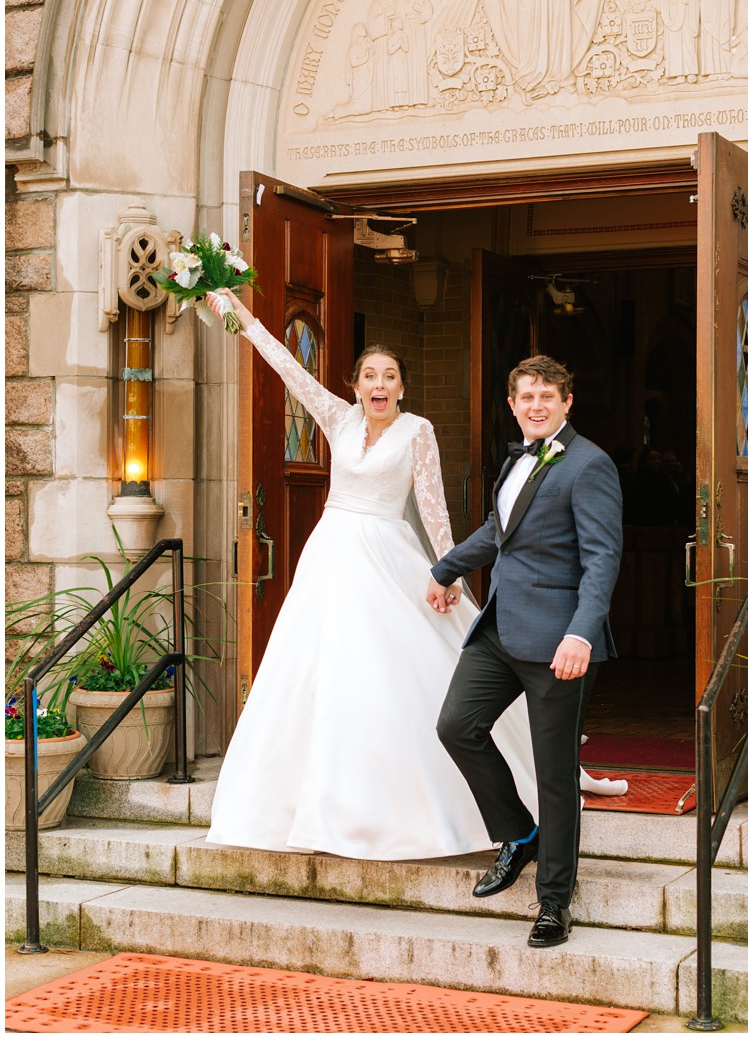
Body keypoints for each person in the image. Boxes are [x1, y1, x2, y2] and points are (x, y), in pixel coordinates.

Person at [205, 292, 621, 862]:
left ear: (402, 387)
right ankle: (304, 805)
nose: (380, 385)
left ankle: (452, 812)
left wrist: (450, 573)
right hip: (329, 559)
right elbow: (287, 367)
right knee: (314, 676)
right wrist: (239, 315)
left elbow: (434, 509)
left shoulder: (417, 430)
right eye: (370, 376)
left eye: (391, 376)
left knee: (390, 677)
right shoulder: (337, 418)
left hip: (386, 558)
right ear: (354, 385)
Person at [428, 355, 624, 948]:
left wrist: (581, 633)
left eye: (547, 396)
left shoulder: (590, 464)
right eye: (526, 397)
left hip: (559, 642)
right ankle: (518, 832)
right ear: (512, 406)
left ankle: (554, 903)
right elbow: (500, 531)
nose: (536, 406)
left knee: (555, 775)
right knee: (456, 726)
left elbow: (602, 558)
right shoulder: (517, 460)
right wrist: (446, 568)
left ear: (568, 402)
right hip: (500, 629)